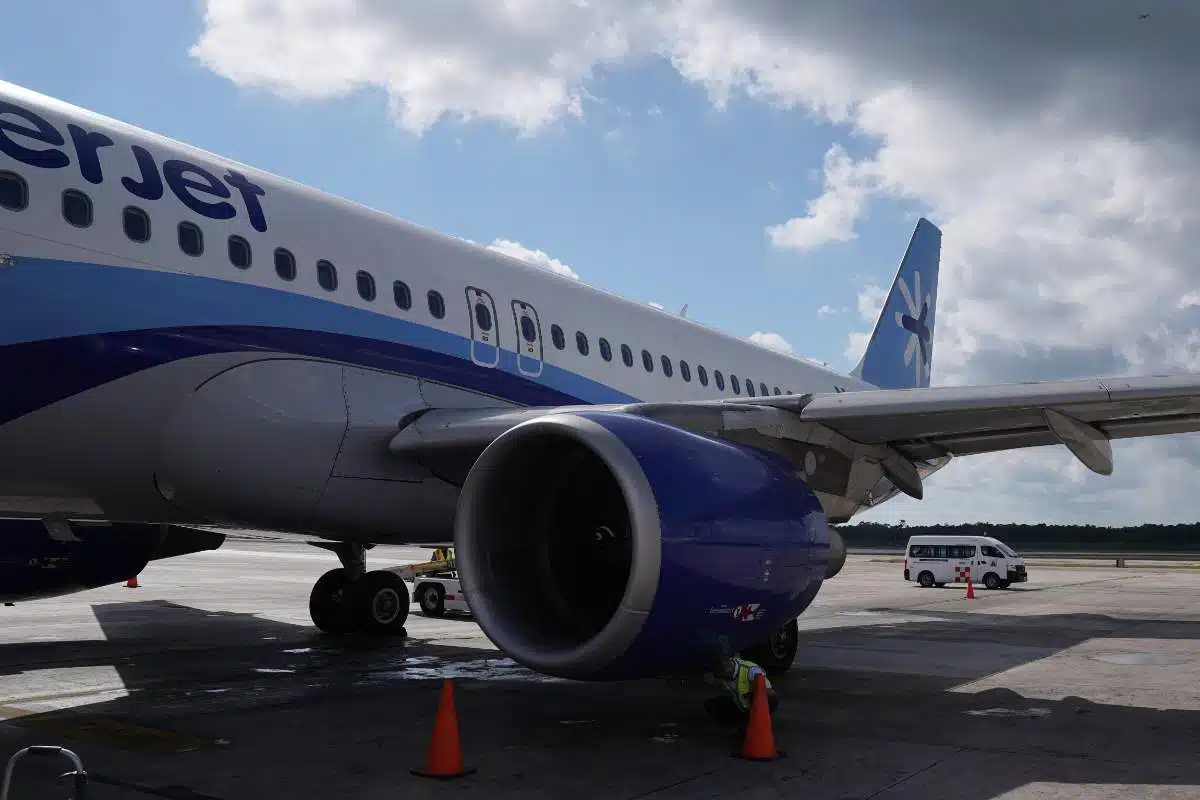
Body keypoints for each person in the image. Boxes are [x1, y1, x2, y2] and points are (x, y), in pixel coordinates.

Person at [704, 655, 778, 728]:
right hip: (739, 703)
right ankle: (734, 724)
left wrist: (751, 695)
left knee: (770, 699)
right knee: (712, 705)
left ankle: (756, 722)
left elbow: (770, 693)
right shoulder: (720, 674)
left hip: (752, 706)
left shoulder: (751, 670)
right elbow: (708, 678)